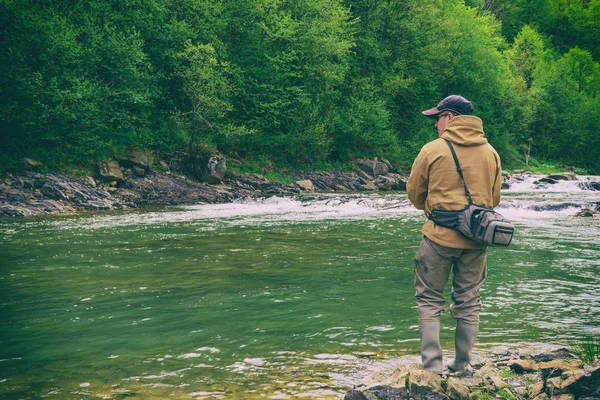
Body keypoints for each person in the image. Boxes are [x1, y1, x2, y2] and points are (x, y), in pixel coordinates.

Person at [406, 95, 502, 375]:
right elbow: (494, 200)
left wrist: (430, 206)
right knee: (470, 300)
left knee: (429, 299)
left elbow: (414, 194)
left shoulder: (432, 150)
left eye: (437, 118)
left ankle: (433, 367)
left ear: (449, 117)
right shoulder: (491, 153)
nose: (435, 124)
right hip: (477, 241)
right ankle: (462, 364)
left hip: (438, 238)